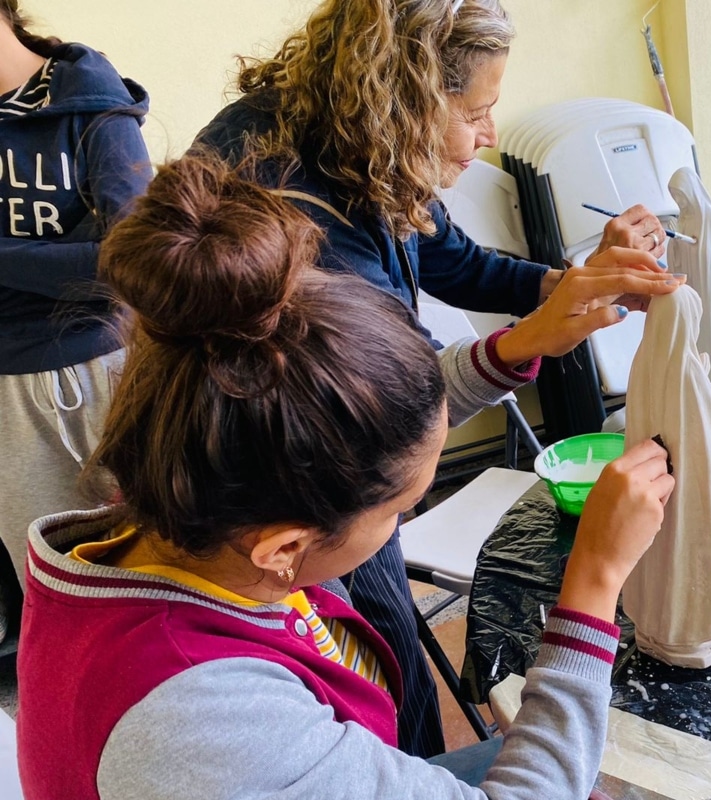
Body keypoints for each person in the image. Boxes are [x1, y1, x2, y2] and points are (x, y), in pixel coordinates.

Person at [16, 154, 675, 799]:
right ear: (285, 548)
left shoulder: (202, 490)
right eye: (397, 511)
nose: (398, 523)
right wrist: (593, 582)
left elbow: (367, 430)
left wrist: (528, 337)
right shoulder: (204, 727)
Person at [194, 0, 680, 755]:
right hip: (293, 502)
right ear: (410, 95)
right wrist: (528, 344)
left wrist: (571, 281)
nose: (487, 136)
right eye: (477, 112)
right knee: (379, 694)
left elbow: (452, 259)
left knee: (392, 674)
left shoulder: (360, 138)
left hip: (335, 483)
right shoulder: (300, 227)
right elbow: (397, 417)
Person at [0, 1, 152, 641]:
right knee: (54, 599)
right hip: (6, 394)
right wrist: (58, 258)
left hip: (98, 374)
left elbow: (135, 257)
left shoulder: (85, 98)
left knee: (146, 578)